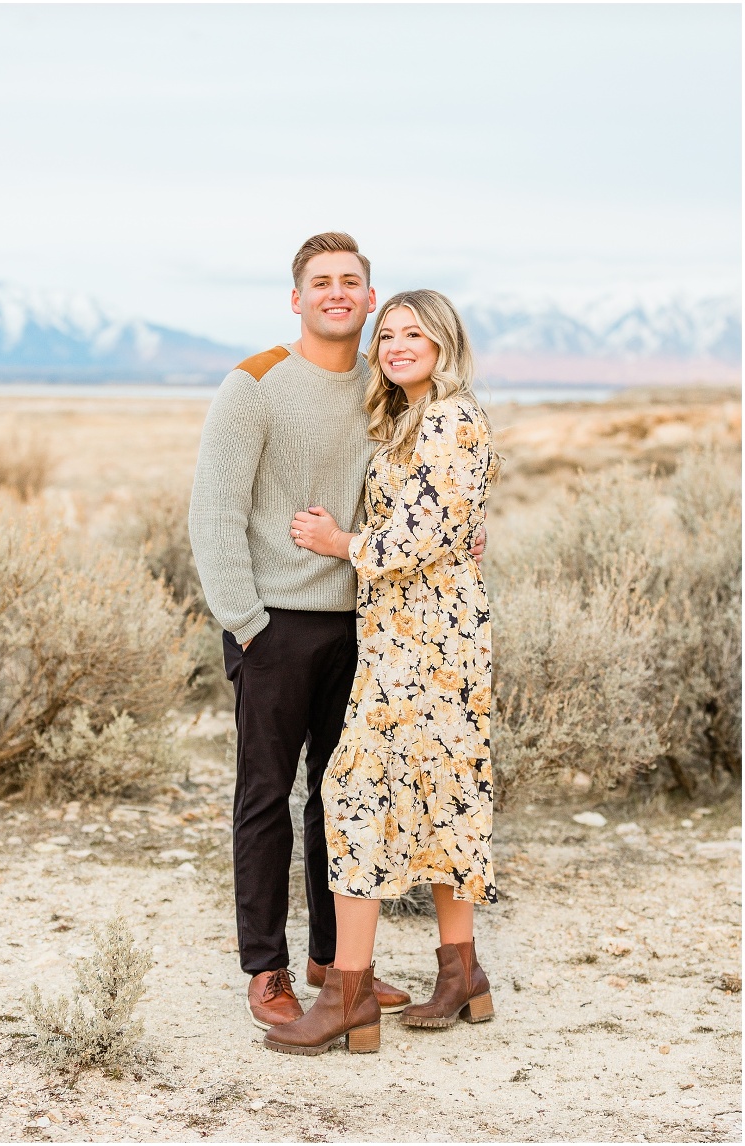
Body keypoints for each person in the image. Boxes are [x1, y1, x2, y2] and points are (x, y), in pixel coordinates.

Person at [189, 234, 485, 1030]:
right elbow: (213, 515)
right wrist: (247, 625)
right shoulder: (253, 385)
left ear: (369, 294)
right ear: (297, 298)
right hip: (275, 626)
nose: (336, 293)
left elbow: (427, 489)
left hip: (366, 627)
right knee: (265, 799)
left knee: (342, 801)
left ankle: (332, 965)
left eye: (350, 282)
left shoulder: (383, 384)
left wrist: (461, 536)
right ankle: (267, 970)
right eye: (319, 282)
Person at [263, 290, 497, 1056]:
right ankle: (462, 975)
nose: (396, 344)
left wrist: (339, 543)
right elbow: (447, 521)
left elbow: (416, 539)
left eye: (413, 333)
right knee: (441, 790)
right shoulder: (407, 416)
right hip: (403, 638)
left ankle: (348, 993)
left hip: (432, 646)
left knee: (353, 791)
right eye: (387, 332)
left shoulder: (452, 418)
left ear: (444, 342)